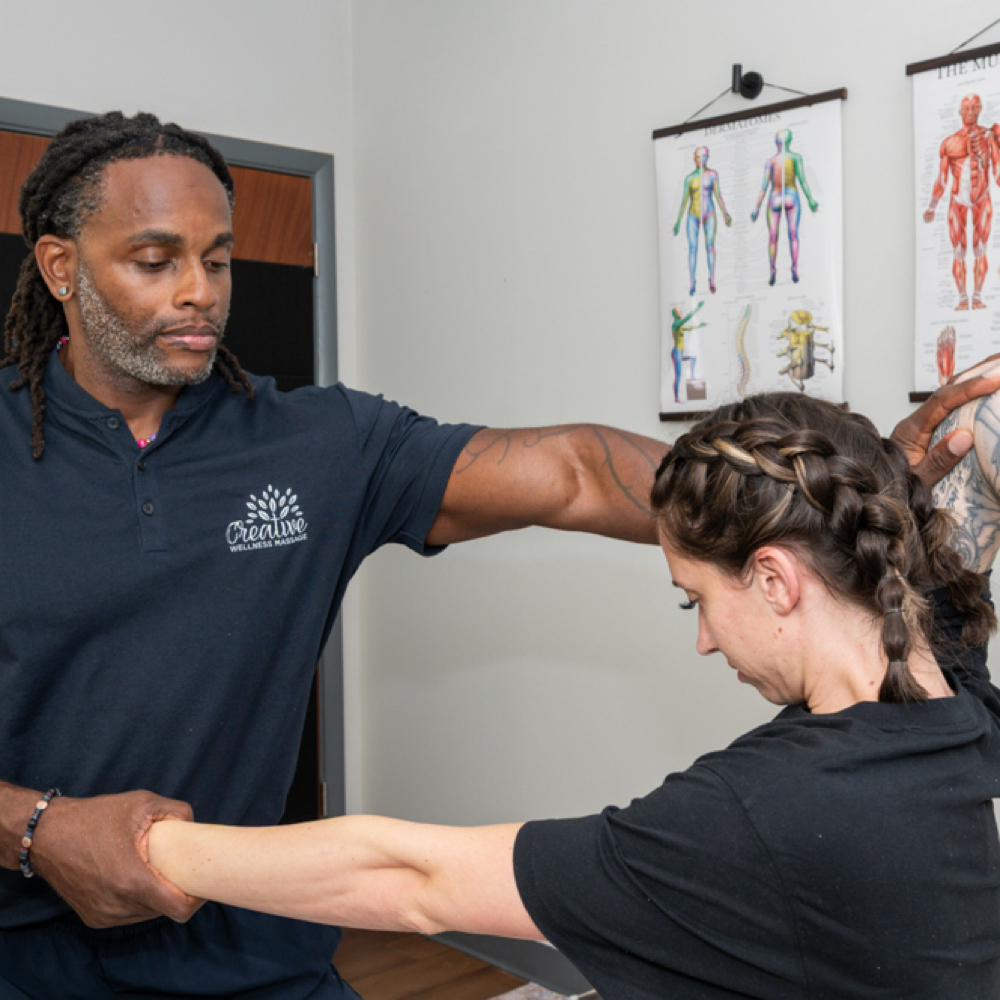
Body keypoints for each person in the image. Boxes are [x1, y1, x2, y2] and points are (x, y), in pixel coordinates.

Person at [0, 110, 675, 998]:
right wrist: (35, 828)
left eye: (218, 258)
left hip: (252, 953)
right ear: (60, 267)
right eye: (156, 261)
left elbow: (576, 472)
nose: (200, 290)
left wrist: (826, 485)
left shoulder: (322, 444)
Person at [148, 389, 1000, 999]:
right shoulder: (961, 712)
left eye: (695, 598)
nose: (702, 638)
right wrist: (895, 485)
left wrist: (154, 850)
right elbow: (945, 580)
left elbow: (414, 880)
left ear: (774, 580)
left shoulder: (766, 813)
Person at [923, 94, 1000, 311]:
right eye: (966, 107)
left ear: (980, 109)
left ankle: (976, 296)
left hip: (981, 198)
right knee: (958, 250)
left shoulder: (989, 137)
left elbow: (997, 172)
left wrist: (987, 156)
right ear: (959, 111)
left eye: (975, 107)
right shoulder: (949, 142)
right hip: (957, 200)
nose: (970, 111)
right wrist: (932, 205)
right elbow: (942, 178)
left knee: (980, 249)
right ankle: (961, 297)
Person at [751, 128, 818, 286]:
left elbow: (764, 186)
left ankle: (773, 269)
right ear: (790, 141)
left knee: (773, 237)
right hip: (791, 196)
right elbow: (802, 180)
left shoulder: (771, 161)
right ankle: (794, 267)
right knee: (793, 235)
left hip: (774, 197)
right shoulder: (795, 157)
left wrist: (757, 207)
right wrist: (810, 199)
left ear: (776, 142)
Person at [672, 146, 732, 295]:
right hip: (693, 215)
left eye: (703, 156)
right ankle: (692, 282)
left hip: (709, 214)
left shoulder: (713, 174)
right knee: (692, 248)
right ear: (694, 159)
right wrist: (678, 221)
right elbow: (684, 201)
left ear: (707, 157)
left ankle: (711, 279)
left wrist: (725, 213)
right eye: (698, 157)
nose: (700, 160)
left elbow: (718, 195)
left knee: (710, 246)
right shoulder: (689, 178)